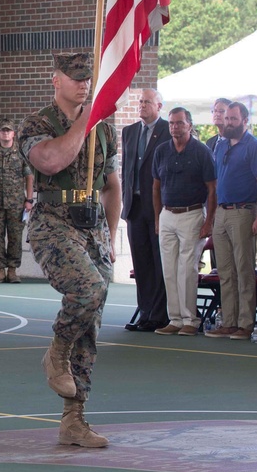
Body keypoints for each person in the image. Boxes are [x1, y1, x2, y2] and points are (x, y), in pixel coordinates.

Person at [18, 52, 119, 449]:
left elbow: (111, 185)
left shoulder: (106, 130)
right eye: (74, 77)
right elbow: (52, 158)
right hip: (53, 223)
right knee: (87, 290)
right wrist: (85, 120)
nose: (82, 84)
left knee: (90, 325)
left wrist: (109, 237)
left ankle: (74, 418)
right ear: (55, 80)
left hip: (93, 227)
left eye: (87, 78)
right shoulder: (38, 123)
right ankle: (55, 353)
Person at [151, 107, 216, 336]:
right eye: (171, 123)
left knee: (187, 269)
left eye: (179, 123)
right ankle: (175, 319)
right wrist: (158, 217)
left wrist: (208, 222)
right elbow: (156, 187)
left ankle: (190, 320)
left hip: (192, 213)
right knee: (169, 268)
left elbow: (212, 189)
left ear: (189, 124)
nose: (174, 127)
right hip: (167, 214)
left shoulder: (201, 151)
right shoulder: (161, 151)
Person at [205, 102, 257, 341]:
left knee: (244, 269)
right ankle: (228, 321)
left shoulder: (254, 147)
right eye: (226, 118)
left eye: (233, 119)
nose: (228, 122)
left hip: (243, 211)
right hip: (222, 211)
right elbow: (217, 182)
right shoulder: (221, 146)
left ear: (245, 121)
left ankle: (245, 323)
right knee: (225, 271)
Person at [120, 88, 170, 332]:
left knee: (158, 261)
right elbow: (125, 170)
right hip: (135, 207)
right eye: (140, 101)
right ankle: (145, 311)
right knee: (141, 263)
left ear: (159, 106)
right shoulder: (129, 132)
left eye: (147, 102)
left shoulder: (167, 131)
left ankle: (159, 315)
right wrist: (124, 201)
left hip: (158, 207)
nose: (142, 105)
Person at [0, 117, 33, 283]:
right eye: (3, 130)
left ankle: (12, 270)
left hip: (16, 204)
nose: (5, 133)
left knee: (15, 237)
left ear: (13, 134)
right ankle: (0, 270)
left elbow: (29, 176)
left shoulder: (21, 154)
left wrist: (29, 199)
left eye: (8, 130)